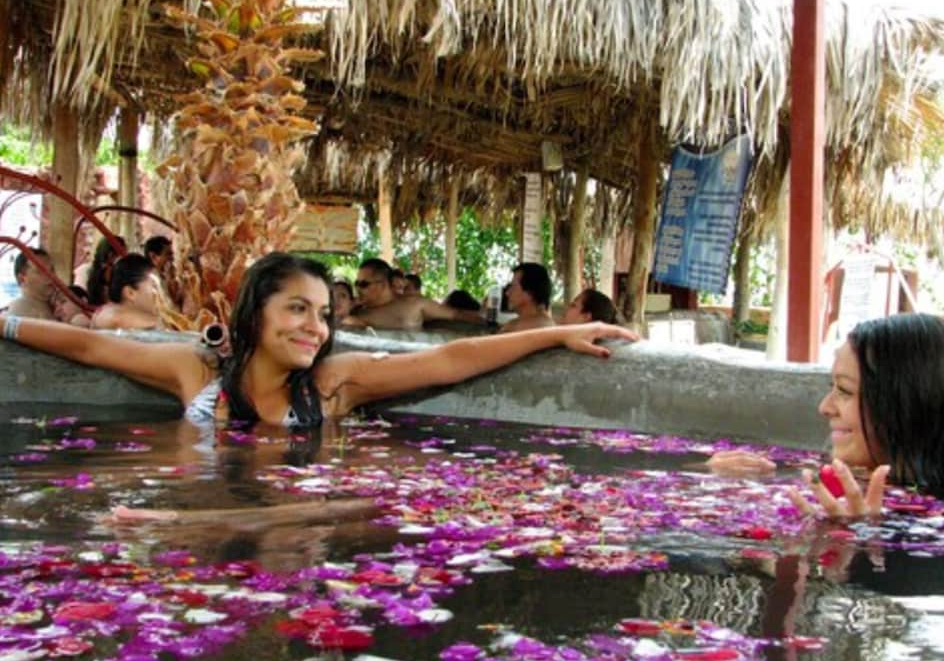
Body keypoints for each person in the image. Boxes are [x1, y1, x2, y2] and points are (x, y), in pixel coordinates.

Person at [1, 252, 637, 429]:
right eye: (297, 309)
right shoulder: (197, 373)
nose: (316, 327)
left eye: (324, 314)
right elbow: (89, 348)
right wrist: (3, 324)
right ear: (255, 315)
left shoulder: (332, 386)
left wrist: (560, 333)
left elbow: (448, 359)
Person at [708, 313, 944, 516]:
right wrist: (710, 472)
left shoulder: (939, 519)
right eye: (832, 387)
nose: (824, 407)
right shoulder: (826, 475)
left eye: (845, 390)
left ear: (907, 407)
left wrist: (857, 538)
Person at [348, 257, 483, 330]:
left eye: (363, 284)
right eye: (356, 283)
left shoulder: (415, 304)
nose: (357, 289)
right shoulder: (356, 312)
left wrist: (489, 321)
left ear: (382, 285)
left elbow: (456, 314)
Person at [90, 254, 163, 330]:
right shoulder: (108, 315)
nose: (161, 294)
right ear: (130, 293)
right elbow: (116, 320)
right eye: (155, 286)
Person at [499, 262, 555, 333]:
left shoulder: (515, 328)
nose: (507, 293)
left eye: (513, 287)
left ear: (529, 293)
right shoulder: (548, 325)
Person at [6, 248, 55, 319]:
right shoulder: (18, 309)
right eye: (42, 271)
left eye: (52, 270)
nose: (51, 275)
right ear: (22, 279)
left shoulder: (55, 304)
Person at [85, 235, 126, 307]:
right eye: (123, 254)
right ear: (111, 255)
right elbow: (109, 301)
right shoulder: (109, 272)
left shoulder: (95, 271)